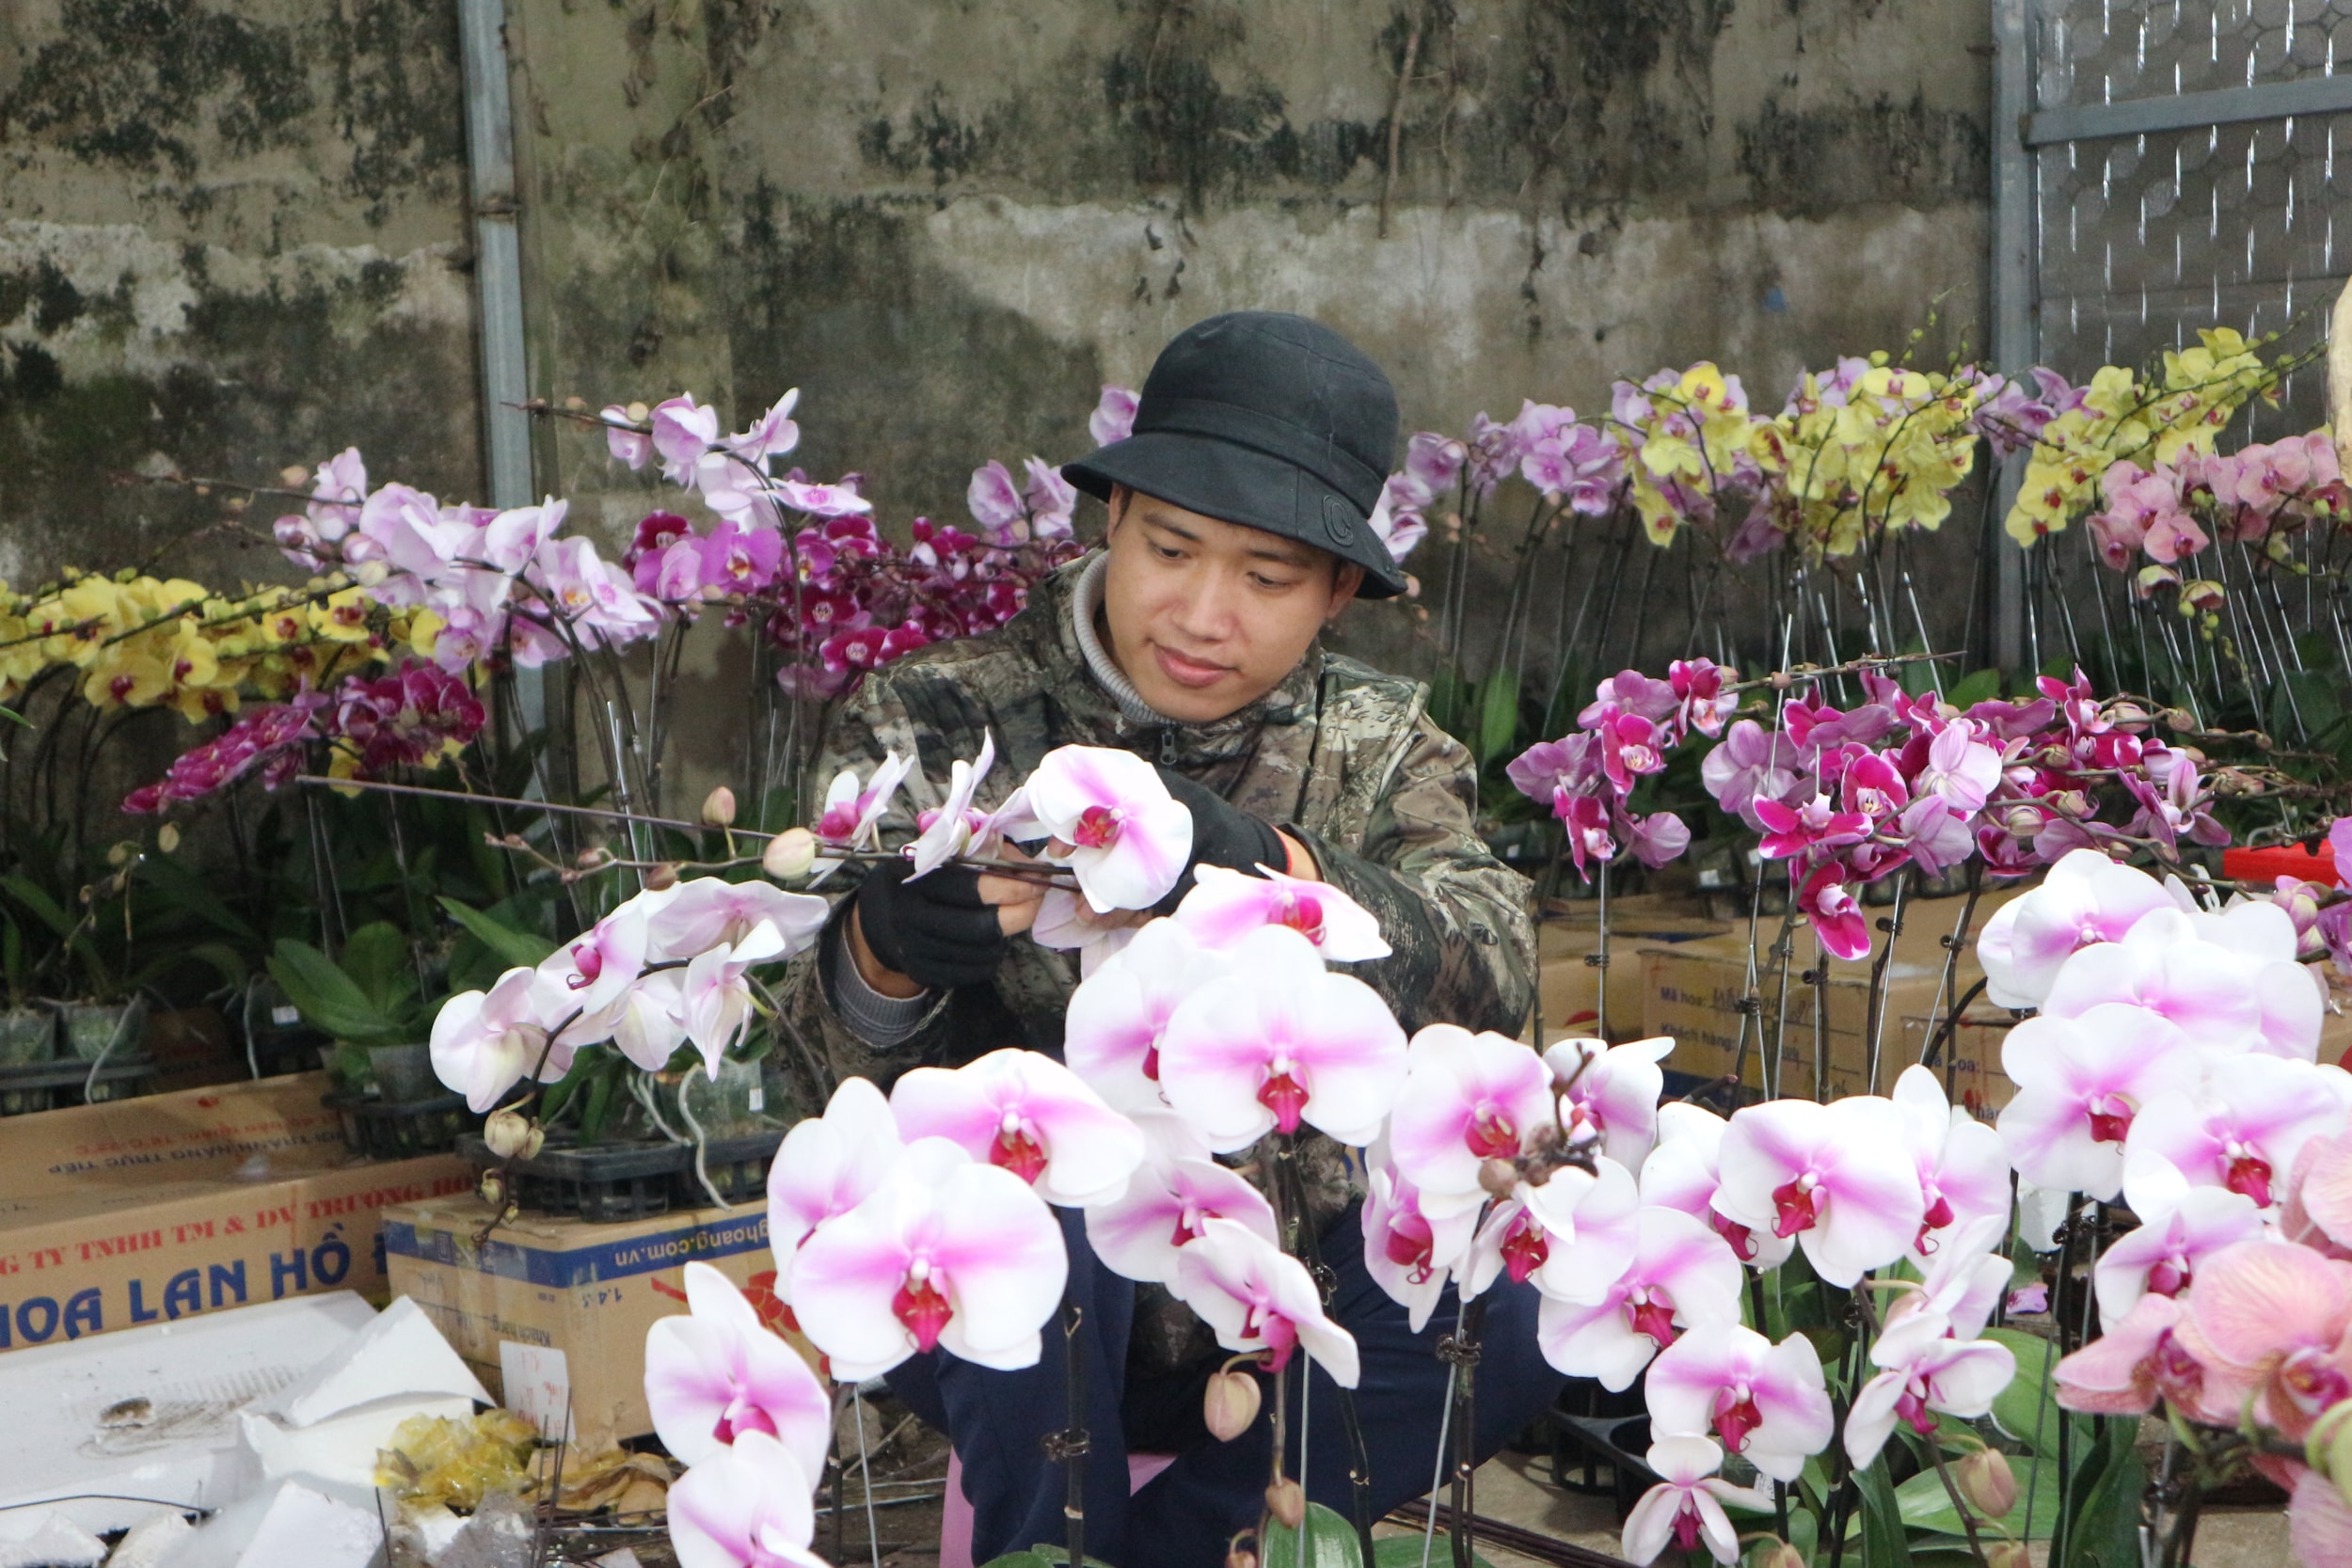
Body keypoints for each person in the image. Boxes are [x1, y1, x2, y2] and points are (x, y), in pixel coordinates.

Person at [789, 311, 1556, 1568]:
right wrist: (881, 960)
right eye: (1172, 548)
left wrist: (1286, 873)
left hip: (1284, 1312)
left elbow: (1493, 958)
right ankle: (1048, 1548)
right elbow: (805, 1068)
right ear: (1114, 521)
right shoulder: (940, 719)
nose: (1204, 613)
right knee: (1043, 1198)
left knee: (1518, 1304)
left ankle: (1188, 1549)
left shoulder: (1379, 747)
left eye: (1266, 578)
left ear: (1337, 592)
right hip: (1017, 1312)